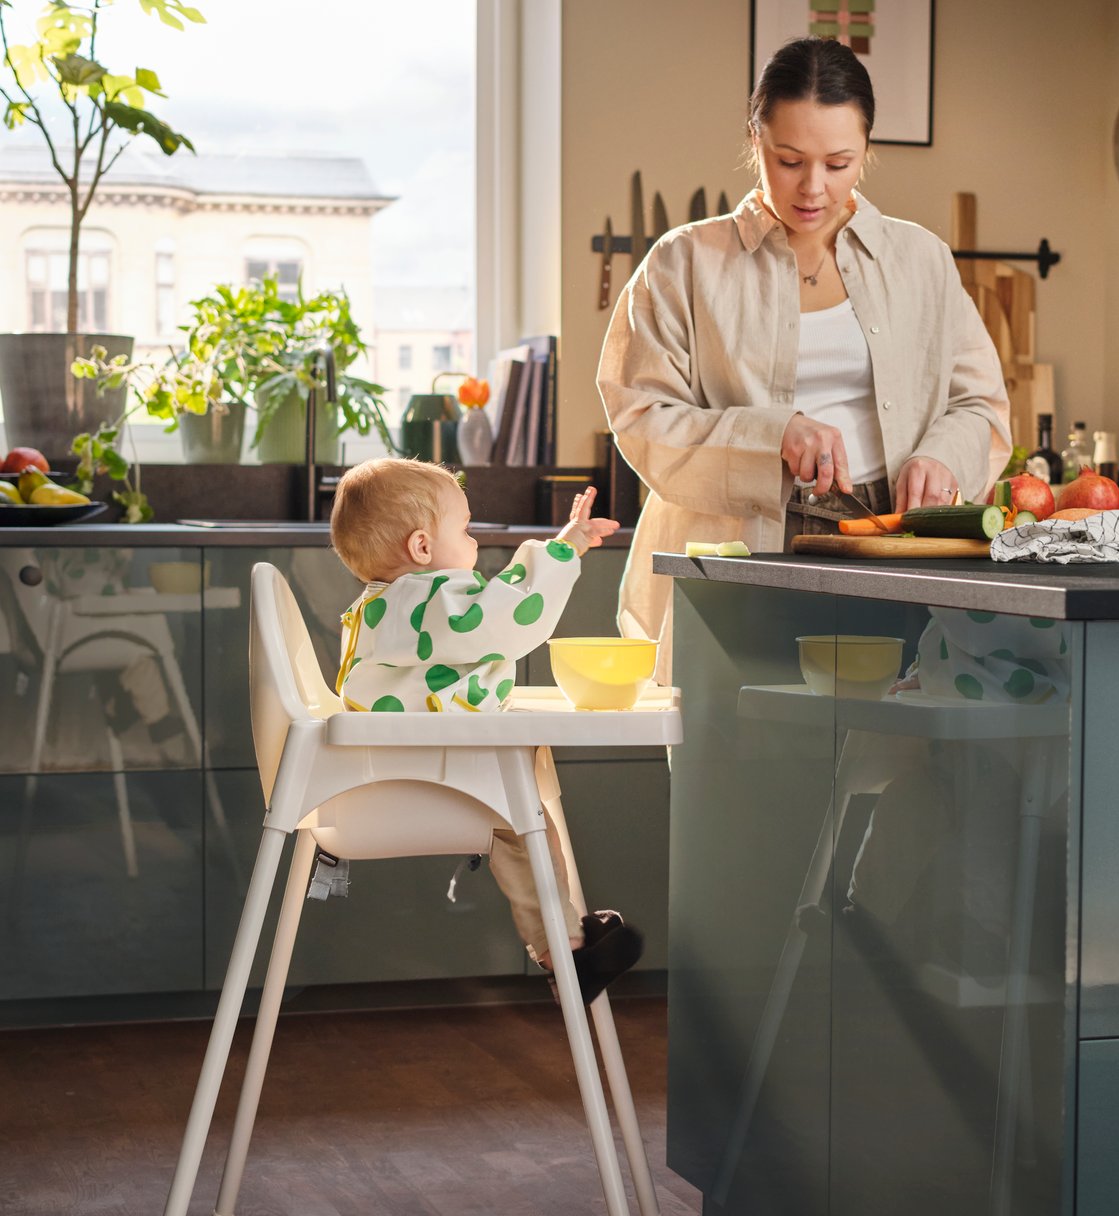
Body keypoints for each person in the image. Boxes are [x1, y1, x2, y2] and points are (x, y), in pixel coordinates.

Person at [597, 36, 1011, 683]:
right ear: (755, 140)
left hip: (891, 543)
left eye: (839, 162)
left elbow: (978, 403)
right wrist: (772, 434)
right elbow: (640, 413)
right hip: (741, 544)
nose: (814, 187)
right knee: (739, 752)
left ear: (867, 150)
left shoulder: (921, 259)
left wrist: (941, 457)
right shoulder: (683, 264)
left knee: (892, 752)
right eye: (789, 160)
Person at [327, 456, 640, 1002]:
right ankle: (564, 951)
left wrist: (563, 544)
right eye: (466, 529)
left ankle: (564, 945)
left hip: (397, 768)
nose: (474, 541)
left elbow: (488, 609)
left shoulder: (392, 604)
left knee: (527, 819)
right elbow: (507, 620)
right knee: (525, 824)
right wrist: (561, 552)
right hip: (422, 778)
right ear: (423, 548)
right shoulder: (423, 600)